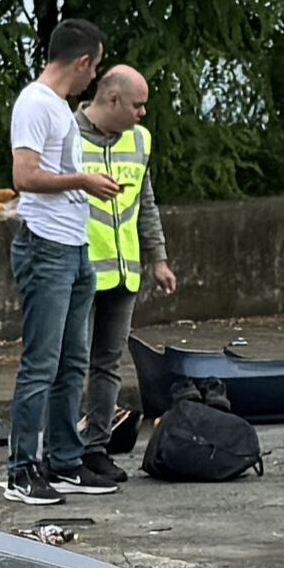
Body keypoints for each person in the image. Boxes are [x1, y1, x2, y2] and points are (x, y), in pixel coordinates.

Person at [4, 20, 126, 504]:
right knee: (41, 363)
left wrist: (81, 181)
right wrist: (83, 182)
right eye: (94, 67)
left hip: (75, 248)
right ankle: (20, 471)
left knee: (73, 361)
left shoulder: (58, 108)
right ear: (81, 62)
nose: (93, 77)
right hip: (46, 246)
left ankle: (64, 461)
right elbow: (25, 176)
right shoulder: (35, 104)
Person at [72, 59, 178, 487]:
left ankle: (96, 449)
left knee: (108, 364)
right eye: (137, 104)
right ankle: (60, 450)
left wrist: (159, 258)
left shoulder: (140, 141)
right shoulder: (68, 136)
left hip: (124, 272)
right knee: (69, 363)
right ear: (112, 98)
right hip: (79, 270)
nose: (142, 113)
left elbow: (145, 203)